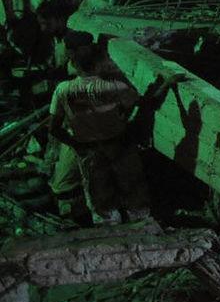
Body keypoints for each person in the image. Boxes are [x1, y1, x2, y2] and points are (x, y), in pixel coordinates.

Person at [47, 33, 149, 225]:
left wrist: (76, 145)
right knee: (132, 189)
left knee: (101, 199)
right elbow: (141, 102)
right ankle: (140, 225)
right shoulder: (114, 86)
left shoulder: (63, 89)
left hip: (89, 150)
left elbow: (53, 129)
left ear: (74, 65)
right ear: (97, 64)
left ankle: (109, 232)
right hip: (117, 144)